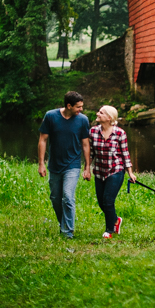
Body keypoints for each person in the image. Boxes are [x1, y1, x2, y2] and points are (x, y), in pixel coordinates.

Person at [38, 91, 92, 238]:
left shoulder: (82, 120)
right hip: (55, 165)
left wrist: (87, 167)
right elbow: (43, 140)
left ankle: (68, 232)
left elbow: (86, 144)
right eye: (78, 107)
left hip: (73, 164)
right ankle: (64, 224)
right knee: (55, 198)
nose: (81, 110)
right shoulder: (51, 116)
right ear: (68, 106)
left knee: (68, 196)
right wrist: (41, 164)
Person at [89, 105, 136, 239]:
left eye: (101, 112)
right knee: (101, 202)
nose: (97, 114)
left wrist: (130, 172)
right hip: (99, 171)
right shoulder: (92, 131)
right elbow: (91, 153)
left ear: (109, 118)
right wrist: (87, 168)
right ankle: (116, 219)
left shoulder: (120, 133)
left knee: (108, 201)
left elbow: (125, 154)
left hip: (116, 170)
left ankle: (109, 230)